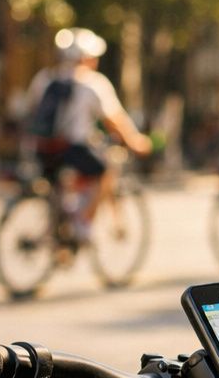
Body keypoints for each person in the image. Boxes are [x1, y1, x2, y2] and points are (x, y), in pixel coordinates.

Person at [22, 27, 152, 241]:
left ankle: (59, 232)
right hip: (73, 149)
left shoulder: (43, 78)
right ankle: (83, 222)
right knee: (106, 170)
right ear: (88, 57)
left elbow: (29, 111)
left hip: (43, 149)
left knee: (59, 187)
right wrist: (136, 142)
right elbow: (115, 119)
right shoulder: (92, 82)